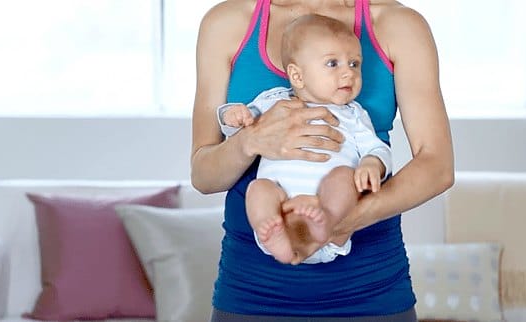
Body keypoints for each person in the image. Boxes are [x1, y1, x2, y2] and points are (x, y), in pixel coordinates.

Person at [191, 0, 454, 321]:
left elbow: (437, 166)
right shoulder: (228, 23)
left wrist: (340, 221)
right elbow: (203, 175)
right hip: (253, 290)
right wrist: (250, 141)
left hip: (370, 289)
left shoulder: (398, 25)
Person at [216, 14, 392, 266]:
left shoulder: (353, 114)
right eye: (333, 64)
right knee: (259, 189)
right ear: (297, 76)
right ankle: (270, 228)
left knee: (344, 177)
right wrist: (232, 114)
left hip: (330, 218)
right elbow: (240, 129)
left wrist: (373, 163)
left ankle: (326, 220)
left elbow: (376, 147)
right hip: (282, 211)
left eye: (354, 64)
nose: (348, 74)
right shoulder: (275, 101)